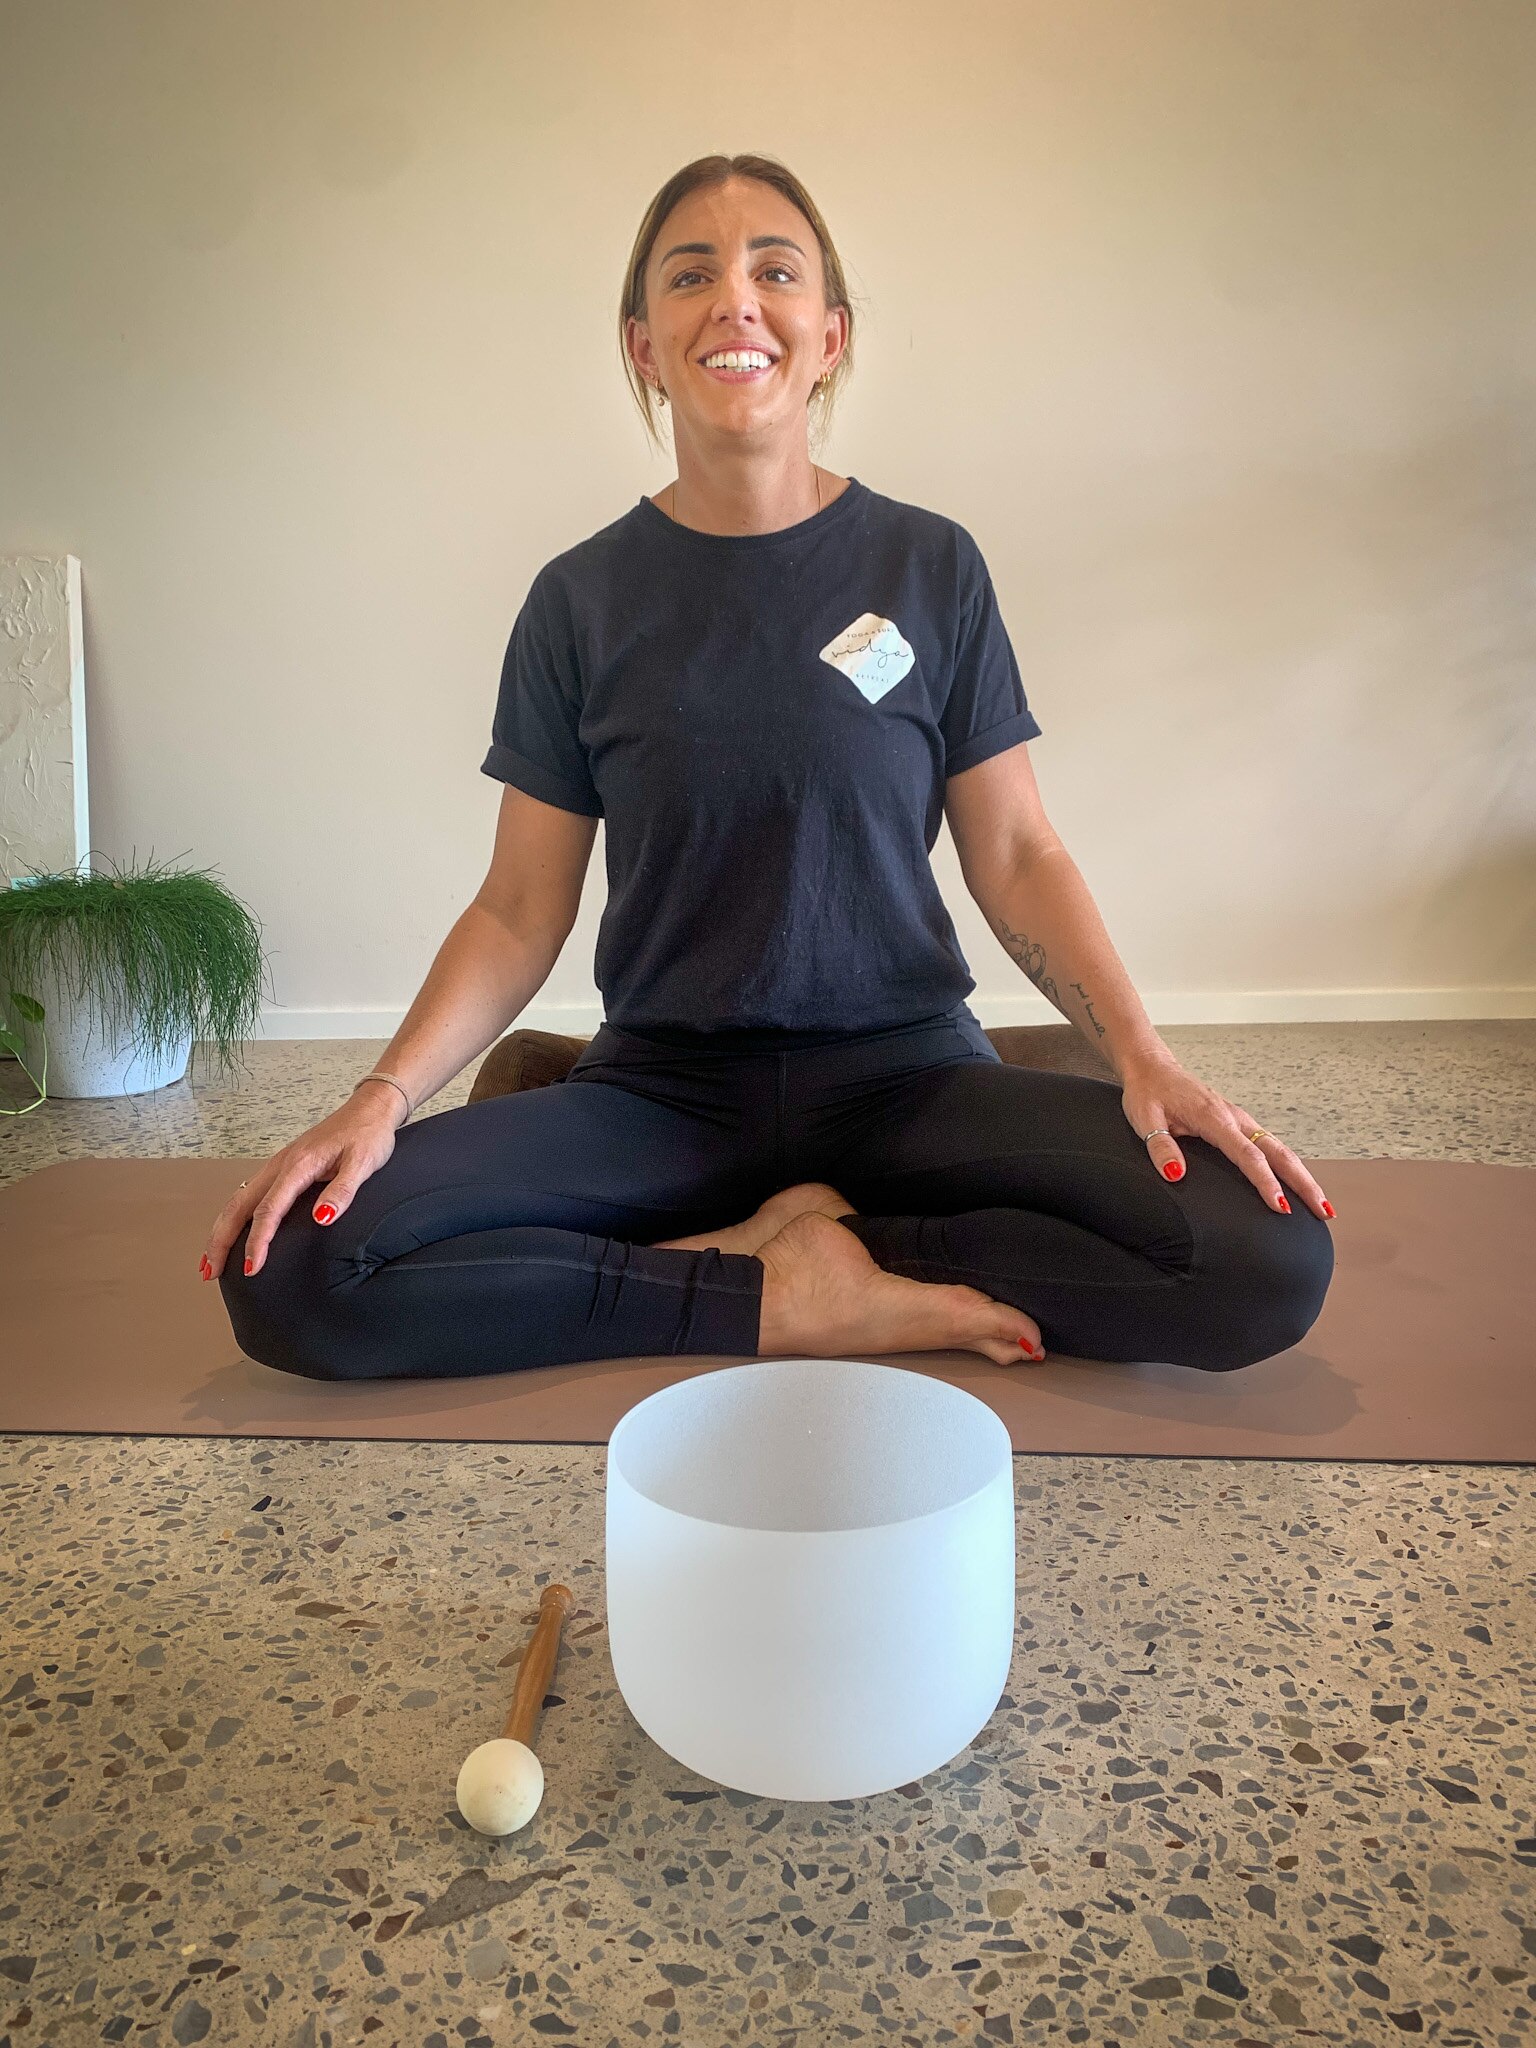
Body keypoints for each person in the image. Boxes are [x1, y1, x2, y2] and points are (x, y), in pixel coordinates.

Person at [201, 153, 1335, 1383]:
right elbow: (518, 905)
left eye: (774, 271)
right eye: (692, 275)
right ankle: (768, 1294)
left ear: (829, 335)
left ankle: (840, 1250)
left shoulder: (931, 566)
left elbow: (1017, 853)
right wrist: (382, 1095)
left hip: (908, 1076)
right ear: (643, 343)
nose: (735, 300)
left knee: (1264, 1252)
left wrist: (1144, 1057)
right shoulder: (578, 600)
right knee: (298, 1271)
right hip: (661, 1093)